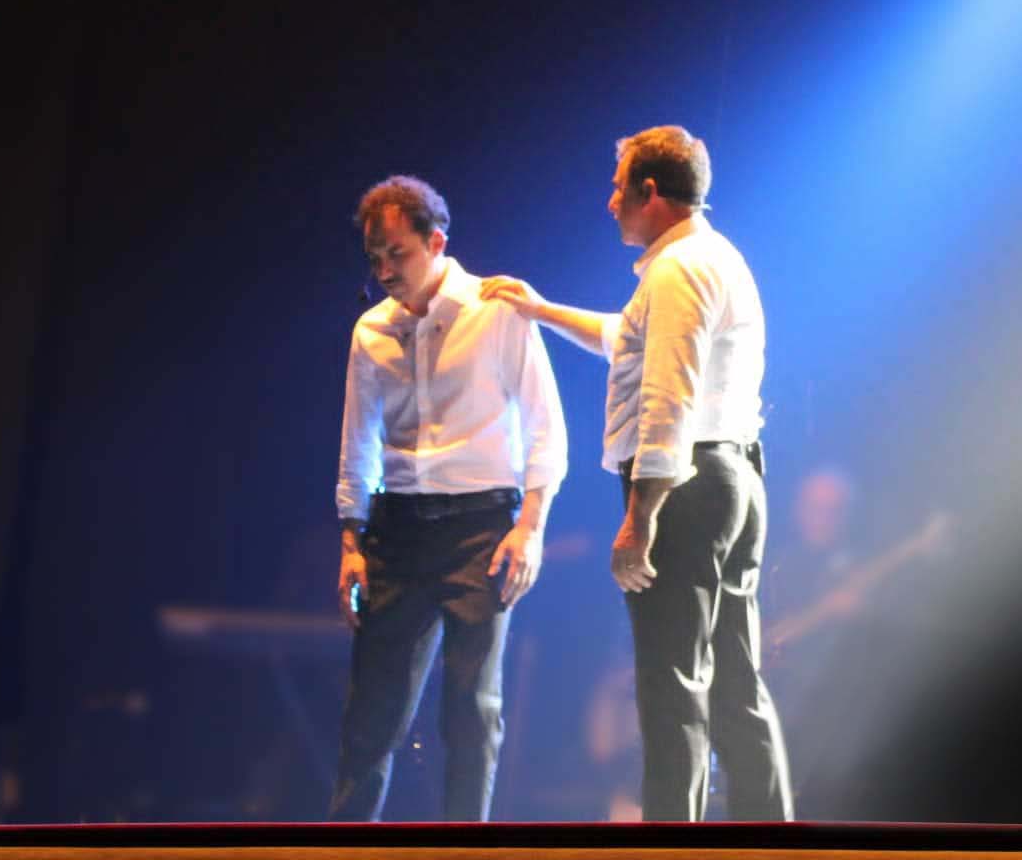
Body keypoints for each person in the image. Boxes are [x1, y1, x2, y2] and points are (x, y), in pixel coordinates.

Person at [482, 126, 793, 821]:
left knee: (670, 681)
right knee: (733, 678)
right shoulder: (710, 257)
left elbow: (666, 398)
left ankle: (670, 845)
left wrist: (640, 518)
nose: (610, 201)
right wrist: (539, 309)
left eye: (618, 187)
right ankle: (771, 836)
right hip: (732, 475)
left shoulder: (678, 269)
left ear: (650, 192)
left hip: (688, 483)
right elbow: (624, 337)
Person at [330, 175, 567, 821]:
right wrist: (351, 540)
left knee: (471, 711)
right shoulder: (371, 330)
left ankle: (465, 848)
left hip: (480, 526)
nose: (384, 270)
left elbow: (545, 426)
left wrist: (530, 527)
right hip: (398, 529)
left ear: (436, 242)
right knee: (371, 715)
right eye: (374, 257)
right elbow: (358, 442)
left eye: (397, 253)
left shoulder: (496, 311)